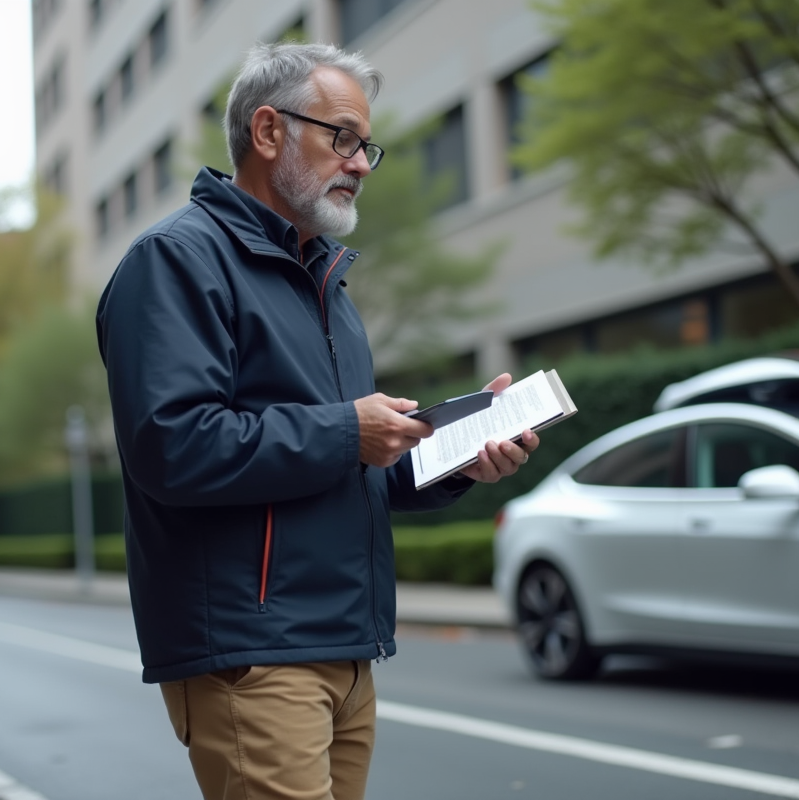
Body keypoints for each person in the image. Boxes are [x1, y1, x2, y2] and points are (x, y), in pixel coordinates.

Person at [95, 42, 537, 800]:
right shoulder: (175, 261)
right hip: (252, 652)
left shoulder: (325, 278)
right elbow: (171, 448)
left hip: (345, 647)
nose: (362, 161)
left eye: (367, 145)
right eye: (342, 137)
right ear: (268, 133)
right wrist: (346, 431)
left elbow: (353, 464)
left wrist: (458, 459)